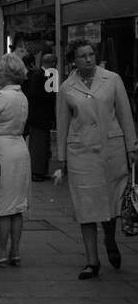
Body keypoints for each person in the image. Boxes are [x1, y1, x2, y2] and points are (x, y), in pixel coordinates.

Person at [56, 37, 138, 279]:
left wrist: (131, 147)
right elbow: (62, 124)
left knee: (111, 203)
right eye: (83, 56)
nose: (89, 59)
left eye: (91, 54)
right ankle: (92, 261)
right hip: (81, 153)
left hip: (111, 150)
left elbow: (125, 114)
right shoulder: (66, 88)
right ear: (73, 61)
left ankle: (110, 240)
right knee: (86, 207)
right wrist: (63, 158)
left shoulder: (112, 79)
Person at [0, 53, 31, 266]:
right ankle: (15, 251)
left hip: (3, 148)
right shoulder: (21, 96)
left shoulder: (2, 96)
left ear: (10, 74)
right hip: (20, 147)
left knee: (3, 205)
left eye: (0, 70)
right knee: (17, 205)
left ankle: (0, 252)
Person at [24, 51, 57, 180]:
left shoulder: (42, 75)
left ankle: (40, 170)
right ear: (53, 63)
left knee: (42, 144)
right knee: (39, 145)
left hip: (40, 116)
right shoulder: (42, 75)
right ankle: (37, 171)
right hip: (40, 117)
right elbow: (45, 97)